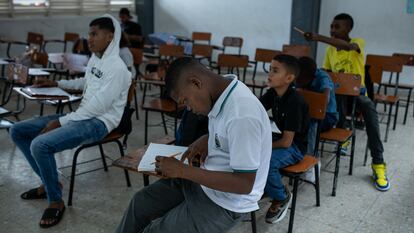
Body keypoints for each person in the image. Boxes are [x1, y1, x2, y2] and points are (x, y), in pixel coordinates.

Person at [115, 57, 272, 233]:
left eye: (185, 101)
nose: (188, 108)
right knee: (140, 203)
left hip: (226, 201)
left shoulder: (242, 115)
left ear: (196, 83)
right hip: (204, 180)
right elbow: (228, 129)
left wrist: (182, 171)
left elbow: (244, 184)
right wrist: (208, 137)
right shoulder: (223, 89)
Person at [9, 15, 131, 228]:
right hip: (82, 116)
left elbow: (99, 107)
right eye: (89, 33)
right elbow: (85, 81)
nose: (89, 39)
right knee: (17, 130)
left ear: (110, 36)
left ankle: (55, 200)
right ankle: (50, 183)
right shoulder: (97, 59)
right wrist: (57, 82)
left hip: (99, 123)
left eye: (94, 34)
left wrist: (62, 122)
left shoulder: (118, 68)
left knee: (40, 144)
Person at [303, 13, 390, 191]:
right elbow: (327, 72)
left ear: (349, 28)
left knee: (368, 107)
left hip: (359, 95)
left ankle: (378, 163)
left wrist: (318, 37)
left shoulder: (358, 42)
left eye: (337, 27)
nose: (333, 30)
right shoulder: (330, 51)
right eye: (331, 26)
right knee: (331, 99)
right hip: (340, 98)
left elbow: (349, 46)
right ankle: (339, 137)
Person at [259, 54, 310, 223]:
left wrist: (263, 146)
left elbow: (287, 142)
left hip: (295, 147)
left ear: (289, 78)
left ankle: (281, 196)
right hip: (283, 138)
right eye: (270, 69)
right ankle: (265, 186)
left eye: (275, 71)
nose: (269, 74)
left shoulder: (294, 101)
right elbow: (255, 108)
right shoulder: (273, 93)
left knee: (266, 162)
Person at [296, 56, 338, 155]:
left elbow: (325, 99)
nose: (296, 82)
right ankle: (296, 151)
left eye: (299, 79)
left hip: (328, 116)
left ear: (308, 77)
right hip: (307, 114)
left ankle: (311, 156)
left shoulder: (323, 78)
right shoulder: (301, 77)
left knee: (310, 122)